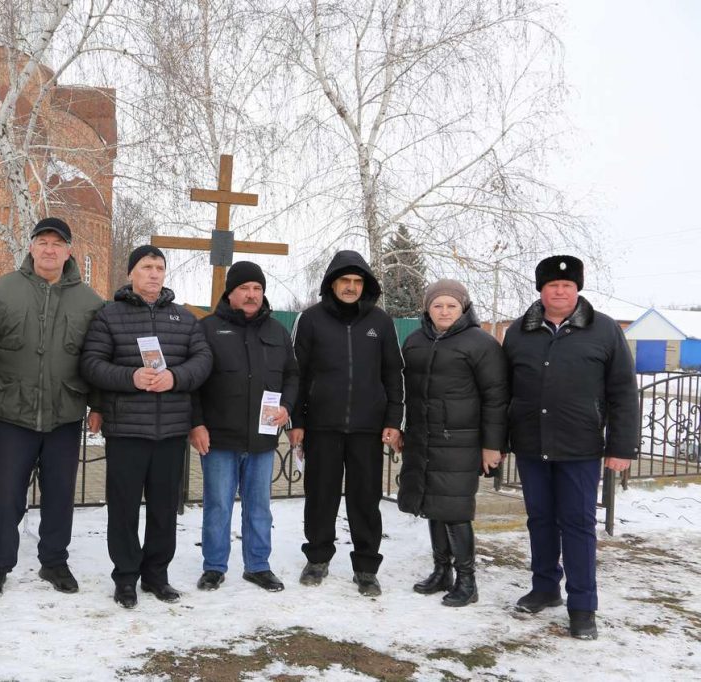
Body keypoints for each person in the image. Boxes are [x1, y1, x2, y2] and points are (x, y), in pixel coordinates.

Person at [503, 255, 638, 639]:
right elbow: (501, 392)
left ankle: (583, 605)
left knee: (578, 525)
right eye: (551, 285)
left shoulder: (604, 330)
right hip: (531, 444)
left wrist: (622, 446)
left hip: (580, 447)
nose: (559, 291)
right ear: (541, 290)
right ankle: (545, 588)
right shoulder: (519, 332)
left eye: (566, 285)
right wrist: (497, 441)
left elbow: (623, 392)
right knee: (540, 520)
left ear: (577, 289)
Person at [0, 217, 104, 597]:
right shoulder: (2, 292)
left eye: (57, 243)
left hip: (65, 413)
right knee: (5, 495)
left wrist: (97, 405)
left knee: (60, 494)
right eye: (42, 242)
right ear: (31, 247)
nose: (49, 249)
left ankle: (54, 562)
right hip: (13, 413)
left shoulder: (90, 302)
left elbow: (97, 358)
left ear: (68, 251)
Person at [80, 245, 213, 608]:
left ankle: (157, 575)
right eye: (146, 267)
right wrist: (131, 376)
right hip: (126, 429)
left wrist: (175, 377)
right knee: (122, 508)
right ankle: (125, 577)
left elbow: (203, 361)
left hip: (170, 431)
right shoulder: (110, 316)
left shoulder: (184, 320)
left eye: (159, 267)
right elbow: (91, 363)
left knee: (164, 508)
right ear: (131, 273)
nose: (154, 274)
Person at [289, 250, 404, 596]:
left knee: (365, 499)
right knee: (320, 496)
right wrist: (297, 421)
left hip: (368, 428)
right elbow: (296, 374)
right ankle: (318, 558)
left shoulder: (380, 323)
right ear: (332, 284)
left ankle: (366, 567)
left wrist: (394, 420)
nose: (351, 287)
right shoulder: (310, 320)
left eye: (357, 282)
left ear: (365, 285)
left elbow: (393, 374)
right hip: (322, 425)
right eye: (345, 281)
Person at [397, 280, 508, 607]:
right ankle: (441, 571)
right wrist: (400, 428)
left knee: (456, 509)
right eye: (437, 305)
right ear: (427, 308)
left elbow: (495, 398)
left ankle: (467, 580)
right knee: (433, 505)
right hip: (423, 437)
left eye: (451, 306)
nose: (444, 311)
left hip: (461, 440)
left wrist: (492, 445)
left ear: (463, 308)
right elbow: (405, 391)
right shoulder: (415, 341)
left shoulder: (481, 343)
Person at [189, 262, 299, 593]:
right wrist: (196, 423)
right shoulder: (208, 329)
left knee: (259, 507)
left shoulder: (277, 331)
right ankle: (214, 566)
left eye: (257, 289)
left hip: (263, 438)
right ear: (231, 293)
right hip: (220, 438)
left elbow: (293, 375)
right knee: (218, 505)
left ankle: (258, 565)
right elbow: (193, 381)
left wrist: (287, 408)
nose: (251, 295)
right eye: (244, 289)